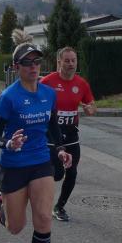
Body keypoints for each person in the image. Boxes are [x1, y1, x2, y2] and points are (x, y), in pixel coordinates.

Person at [0, 43, 72, 243]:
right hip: (13, 165)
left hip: (40, 162)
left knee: (44, 219)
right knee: (16, 227)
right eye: (27, 62)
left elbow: (53, 127)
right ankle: (3, 202)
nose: (34, 67)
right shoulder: (9, 97)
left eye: (37, 62)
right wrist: (9, 143)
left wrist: (61, 149)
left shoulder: (48, 94)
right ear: (17, 67)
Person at [40, 47, 97, 221]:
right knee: (57, 174)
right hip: (52, 134)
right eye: (67, 60)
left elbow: (92, 106)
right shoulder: (47, 82)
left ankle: (59, 207)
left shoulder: (82, 84)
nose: (71, 64)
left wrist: (90, 109)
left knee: (72, 173)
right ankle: (37, 195)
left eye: (73, 60)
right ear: (59, 62)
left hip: (71, 135)